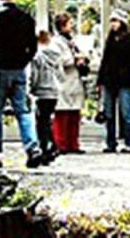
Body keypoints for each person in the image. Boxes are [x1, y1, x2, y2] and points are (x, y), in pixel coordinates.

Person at [0, 0, 41, 168]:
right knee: (23, 111)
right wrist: (23, 61)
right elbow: (33, 47)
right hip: (18, 71)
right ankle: (32, 148)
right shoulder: (26, 19)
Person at [95, 9, 130, 153]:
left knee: (127, 112)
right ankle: (111, 142)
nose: (113, 24)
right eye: (112, 21)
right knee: (109, 113)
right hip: (110, 80)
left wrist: (125, 71)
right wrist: (100, 80)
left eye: (116, 21)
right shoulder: (111, 38)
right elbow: (105, 59)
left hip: (124, 80)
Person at [51, 12, 87, 154]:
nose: (72, 26)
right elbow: (58, 60)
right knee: (62, 113)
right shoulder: (56, 42)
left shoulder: (71, 40)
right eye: (69, 23)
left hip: (74, 80)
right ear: (62, 26)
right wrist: (74, 59)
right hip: (64, 80)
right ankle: (61, 144)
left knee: (74, 113)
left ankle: (73, 143)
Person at [29, 29, 60, 165]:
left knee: (41, 122)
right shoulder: (55, 55)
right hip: (53, 91)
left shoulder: (37, 56)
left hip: (41, 92)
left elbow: (34, 75)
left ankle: (46, 148)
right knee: (47, 120)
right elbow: (61, 74)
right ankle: (51, 146)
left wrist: (30, 88)